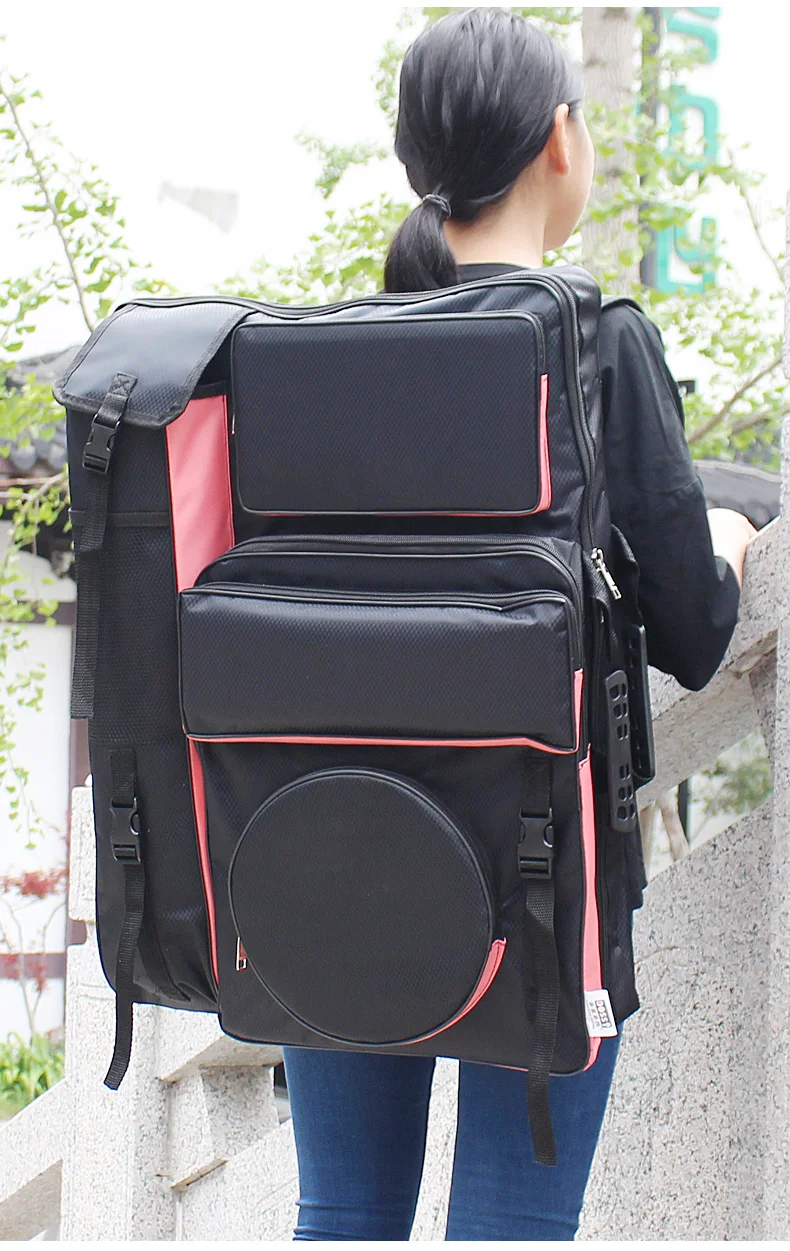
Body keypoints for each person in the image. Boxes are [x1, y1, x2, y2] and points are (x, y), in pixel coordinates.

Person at [281, 8, 757, 1241]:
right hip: (539, 876)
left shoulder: (314, 355)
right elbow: (694, 631)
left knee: (341, 1218)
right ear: (559, 139)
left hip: (323, 847)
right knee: (511, 1226)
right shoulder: (596, 341)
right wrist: (722, 535)